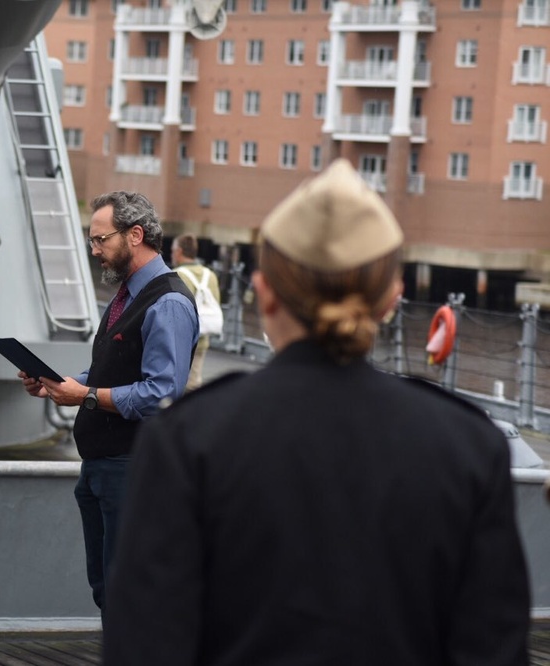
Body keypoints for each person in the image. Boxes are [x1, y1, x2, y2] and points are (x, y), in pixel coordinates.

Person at [103, 159, 531, 665]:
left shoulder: (187, 442)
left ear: (263, 294)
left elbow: (145, 645)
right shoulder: (470, 449)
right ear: (392, 300)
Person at [19, 191, 198, 613]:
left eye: (102, 240)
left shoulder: (167, 302)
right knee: (108, 590)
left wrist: (86, 397)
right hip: (104, 468)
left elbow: (162, 395)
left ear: (136, 235)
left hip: (133, 469)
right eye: (92, 241)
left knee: (128, 595)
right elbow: (110, 373)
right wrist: (59, 385)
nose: (95, 250)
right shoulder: (126, 296)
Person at [172, 233, 221, 391]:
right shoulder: (210, 275)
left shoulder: (177, 275)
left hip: (180, 343)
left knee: (175, 387)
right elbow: (216, 302)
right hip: (202, 340)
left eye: (173, 251)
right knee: (193, 384)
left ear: (179, 252)